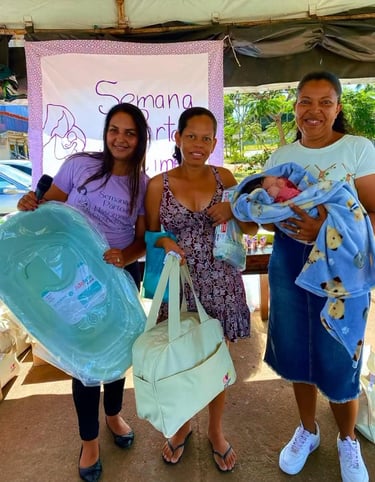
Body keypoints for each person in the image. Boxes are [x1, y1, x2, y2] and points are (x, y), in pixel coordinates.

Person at [17, 102, 151, 482]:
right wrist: (31, 203)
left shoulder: (143, 185)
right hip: (74, 276)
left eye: (129, 132)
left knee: (117, 348)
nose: (120, 138)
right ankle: (88, 439)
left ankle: (113, 414)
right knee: (85, 357)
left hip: (120, 276)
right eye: (114, 130)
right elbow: (48, 209)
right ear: (106, 132)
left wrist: (124, 256)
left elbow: (142, 241)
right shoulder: (80, 165)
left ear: (140, 139)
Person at [261, 71, 375, 482]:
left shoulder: (358, 149)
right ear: (295, 107)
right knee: (297, 349)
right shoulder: (280, 157)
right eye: (305, 101)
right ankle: (307, 431)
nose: (314, 110)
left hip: (343, 267)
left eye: (325, 102)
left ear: (338, 107)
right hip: (290, 260)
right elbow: (270, 219)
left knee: (340, 352)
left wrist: (324, 228)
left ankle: (347, 438)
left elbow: (372, 214)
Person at [145, 106, 257, 472]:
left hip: (221, 283)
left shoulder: (226, 177)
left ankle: (215, 430)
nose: (198, 144)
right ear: (178, 138)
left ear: (213, 142)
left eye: (207, 138)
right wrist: (164, 244)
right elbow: (148, 235)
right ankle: (180, 428)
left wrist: (234, 211)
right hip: (179, 286)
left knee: (214, 362)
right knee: (179, 360)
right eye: (191, 136)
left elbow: (253, 229)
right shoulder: (156, 184)